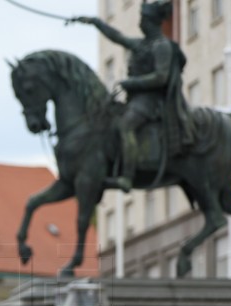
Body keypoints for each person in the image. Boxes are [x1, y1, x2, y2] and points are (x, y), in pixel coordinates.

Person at [75, 0, 194, 193]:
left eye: (143, 19)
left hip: (152, 101)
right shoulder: (142, 44)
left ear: (152, 22)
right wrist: (95, 22)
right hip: (136, 100)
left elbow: (161, 77)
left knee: (125, 125)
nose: (140, 23)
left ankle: (127, 177)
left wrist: (131, 83)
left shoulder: (161, 46)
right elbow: (117, 37)